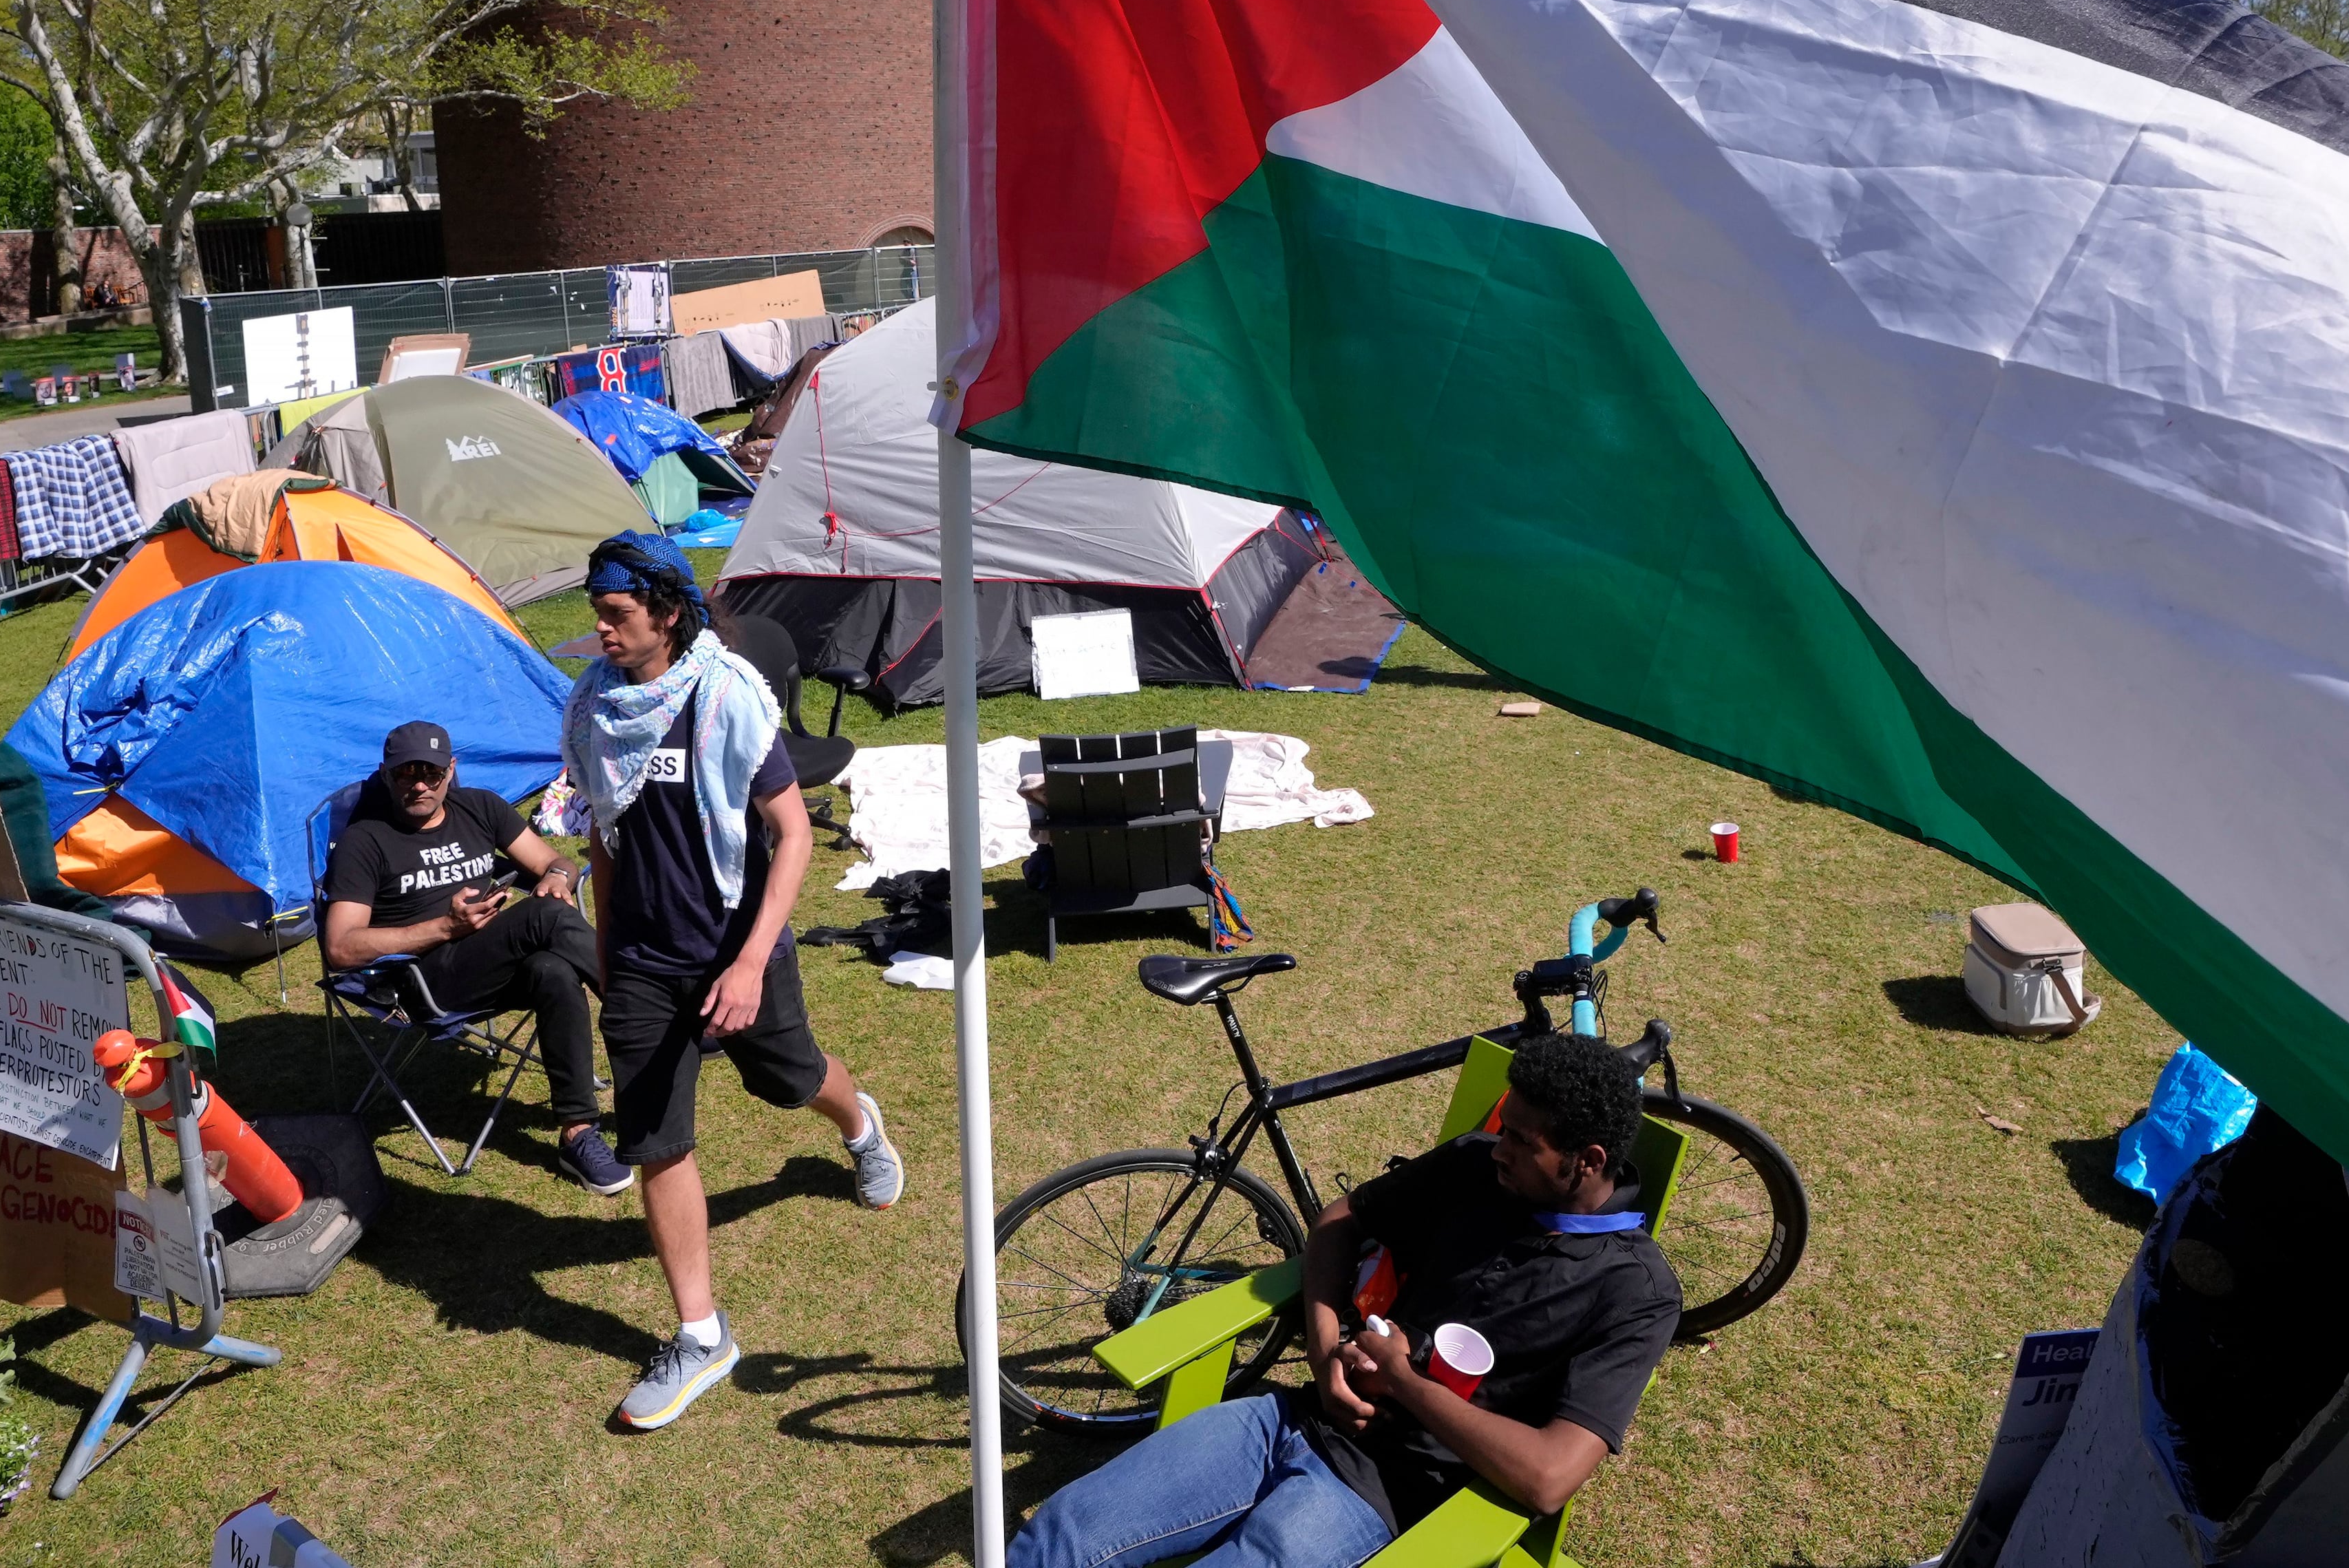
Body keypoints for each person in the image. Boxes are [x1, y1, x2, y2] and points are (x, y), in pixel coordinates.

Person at [1010, 1033, 1681, 1568]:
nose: (1498, 1148)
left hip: (1387, 1491)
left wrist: (1401, 1380)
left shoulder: (1633, 1292)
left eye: (1521, 1141)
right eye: (1504, 1127)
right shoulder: (1477, 1169)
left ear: (1587, 1161)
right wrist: (1327, 1348)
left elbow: (1546, 1478)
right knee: (1062, 1534)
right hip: (1286, 1421)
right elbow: (1340, 1219)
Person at [567, 535, 903, 1432]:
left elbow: (791, 834)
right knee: (655, 1140)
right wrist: (606, 947)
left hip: (735, 950)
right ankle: (701, 1333)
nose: (597, 631)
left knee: (789, 1079)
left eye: (615, 616)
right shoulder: (596, 711)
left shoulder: (724, 698)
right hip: (641, 962)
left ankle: (859, 1122)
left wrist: (751, 962)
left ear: (667, 616)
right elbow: (605, 831)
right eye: (598, 614)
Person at [319, 720, 632, 1196]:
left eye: (432, 772)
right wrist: (445, 927)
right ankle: (643, 1009)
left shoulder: (480, 807)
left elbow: (558, 861)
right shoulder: (366, 840)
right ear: (386, 774)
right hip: (422, 978)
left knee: (552, 970)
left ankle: (578, 1133)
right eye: (406, 773)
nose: (420, 784)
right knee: (541, 919)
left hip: (490, 961)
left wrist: (556, 879)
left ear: (452, 768)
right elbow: (340, 946)